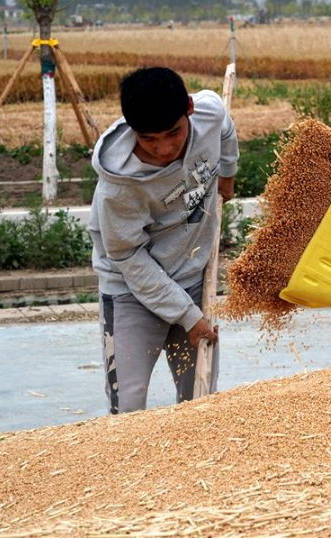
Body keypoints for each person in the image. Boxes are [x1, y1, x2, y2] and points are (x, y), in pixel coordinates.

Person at [88, 67, 239, 414]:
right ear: (132, 131)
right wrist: (187, 316)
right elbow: (129, 257)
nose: (165, 148)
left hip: (193, 279)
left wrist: (227, 174)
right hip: (131, 292)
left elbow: (225, 129)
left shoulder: (208, 112)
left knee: (199, 402)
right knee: (129, 407)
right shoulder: (118, 189)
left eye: (174, 133)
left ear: (189, 109)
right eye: (149, 139)